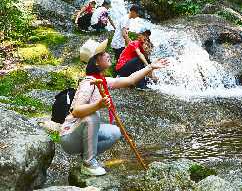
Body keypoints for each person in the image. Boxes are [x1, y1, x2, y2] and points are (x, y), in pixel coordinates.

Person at [59, 38, 168, 176]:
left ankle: (86, 156)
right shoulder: (88, 83)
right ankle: (89, 163)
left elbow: (130, 80)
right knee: (93, 116)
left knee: (114, 132)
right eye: (103, 54)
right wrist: (98, 105)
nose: (108, 54)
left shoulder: (102, 81)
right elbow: (76, 111)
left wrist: (150, 67)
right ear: (96, 62)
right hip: (69, 137)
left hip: (79, 133)